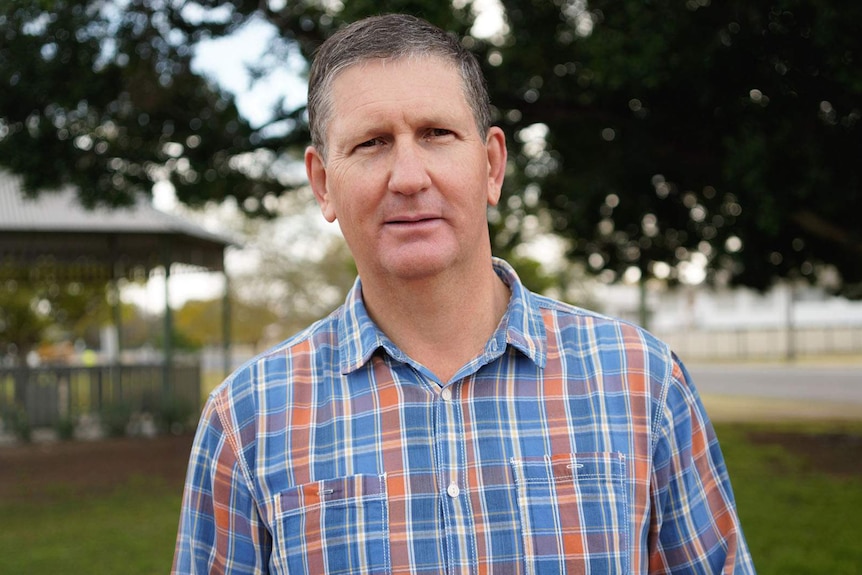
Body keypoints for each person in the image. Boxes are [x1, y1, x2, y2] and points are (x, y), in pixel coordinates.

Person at [173, 13, 755, 574]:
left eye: (437, 134)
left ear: (493, 165)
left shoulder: (642, 380)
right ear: (324, 184)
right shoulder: (247, 420)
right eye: (372, 143)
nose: (408, 177)